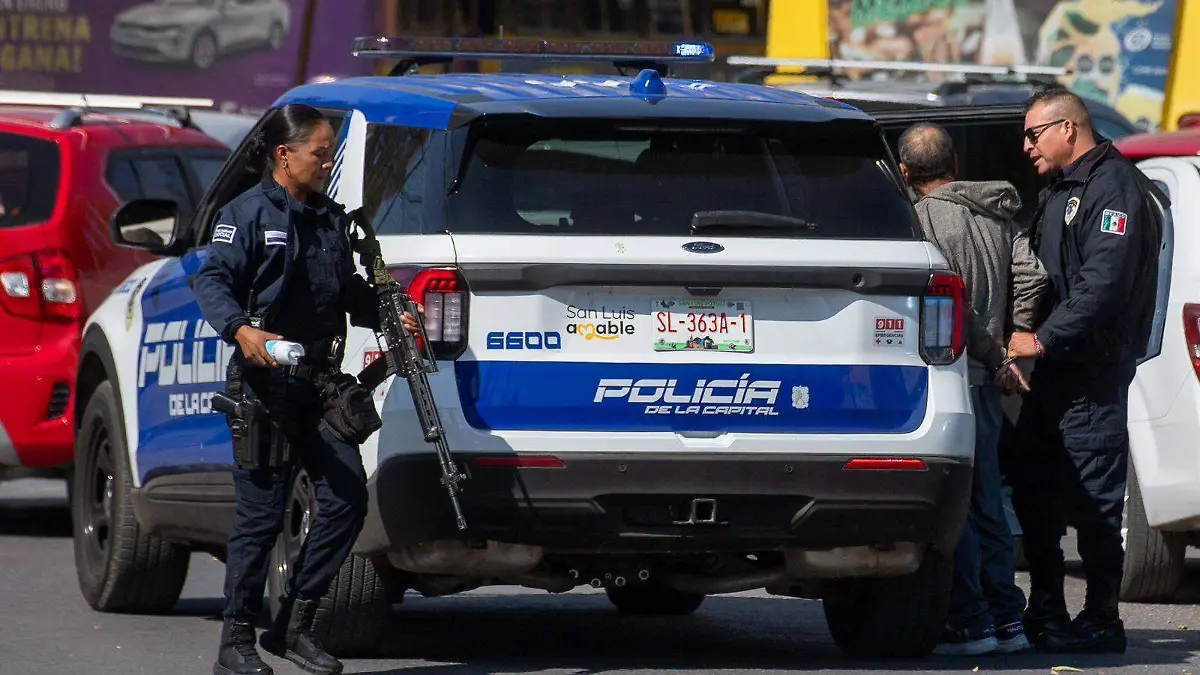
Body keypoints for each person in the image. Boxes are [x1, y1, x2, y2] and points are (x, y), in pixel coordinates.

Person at [193, 104, 420, 675]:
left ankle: (293, 624)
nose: (326, 164)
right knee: (261, 517)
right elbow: (212, 279)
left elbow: (347, 291)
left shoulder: (331, 220)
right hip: (265, 387)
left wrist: (390, 314)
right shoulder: (245, 214)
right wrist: (240, 330)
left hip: (320, 384)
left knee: (346, 499)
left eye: (329, 154)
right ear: (284, 155)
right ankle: (235, 644)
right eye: (320, 153)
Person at [1006, 88, 1165, 653]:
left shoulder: (1113, 188)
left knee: (1096, 500)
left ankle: (1101, 616)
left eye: (1033, 134)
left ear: (1066, 128)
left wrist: (1040, 339)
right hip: (1052, 375)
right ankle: (1046, 607)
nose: (1026, 147)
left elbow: (1103, 285)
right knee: (1035, 490)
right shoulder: (1061, 189)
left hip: (1090, 374)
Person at [897, 122, 1048, 656]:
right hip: (990, 383)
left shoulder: (917, 223)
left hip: (949, 380)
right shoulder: (998, 213)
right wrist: (1015, 342)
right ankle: (1007, 619)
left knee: (953, 506)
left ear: (903, 172)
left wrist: (992, 352)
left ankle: (971, 621)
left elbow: (950, 303)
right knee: (987, 503)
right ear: (955, 166)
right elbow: (1032, 276)